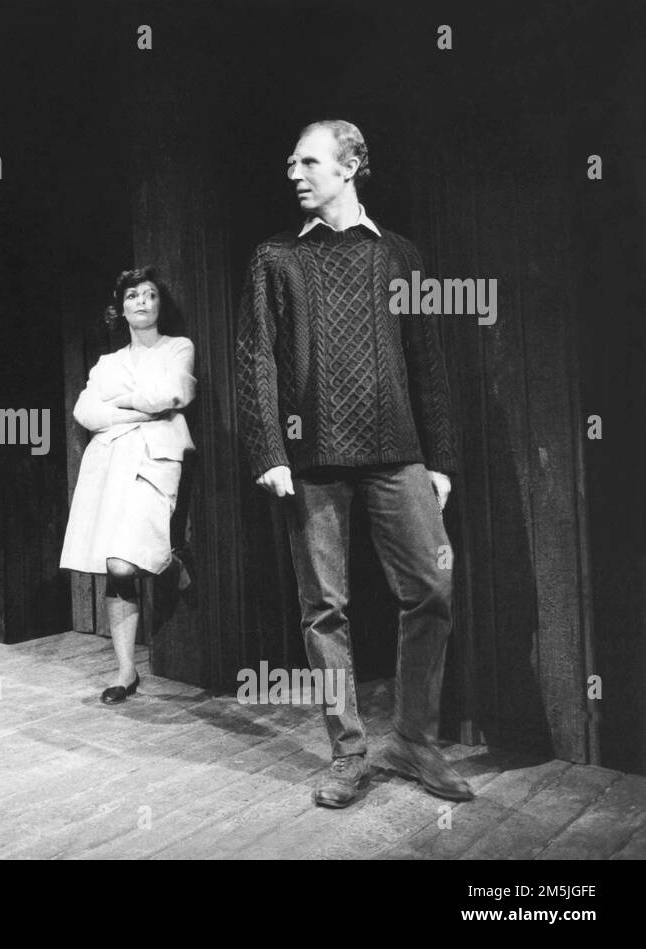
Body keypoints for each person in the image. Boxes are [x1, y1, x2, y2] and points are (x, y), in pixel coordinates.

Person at [236, 119, 472, 808]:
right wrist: (270, 451)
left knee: (432, 584)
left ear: (351, 165)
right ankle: (348, 750)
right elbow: (256, 359)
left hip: (398, 452)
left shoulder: (400, 254)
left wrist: (443, 458)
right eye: (290, 162)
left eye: (308, 161)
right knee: (324, 608)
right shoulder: (275, 256)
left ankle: (414, 740)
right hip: (311, 458)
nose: (294, 173)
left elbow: (427, 357)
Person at [61, 267, 195, 704]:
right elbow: (86, 412)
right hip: (110, 463)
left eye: (150, 294)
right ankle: (125, 670)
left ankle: (168, 558)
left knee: (123, 560)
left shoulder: (179, 348)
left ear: (160, 305)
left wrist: (118, 402)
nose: (141, 301)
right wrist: (141, 407)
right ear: (121, 309)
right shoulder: (107, 363)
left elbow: (174, 394)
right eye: (133, 296)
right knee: (115, 567)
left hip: (155, 459)